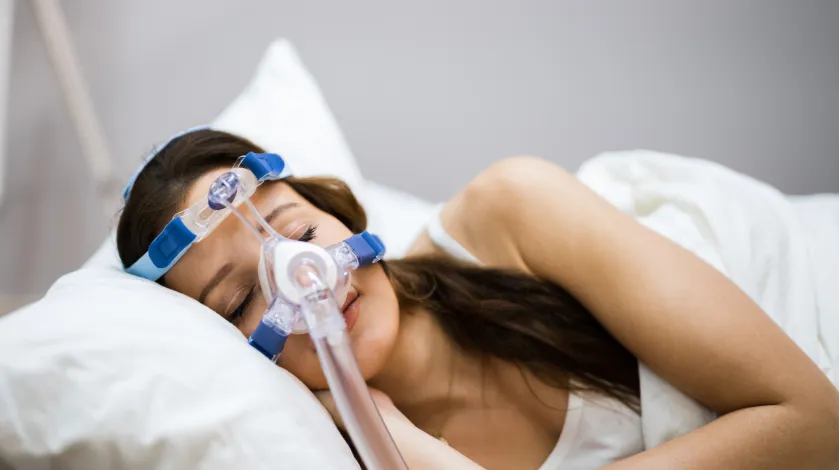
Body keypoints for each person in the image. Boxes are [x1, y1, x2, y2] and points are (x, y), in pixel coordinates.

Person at [117, 128, 839, 470]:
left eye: (299, 231)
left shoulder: (510, 211)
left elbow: (811, 424)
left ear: (334, 209)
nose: (305, 277)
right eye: (243, 297)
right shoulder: (321, 450)